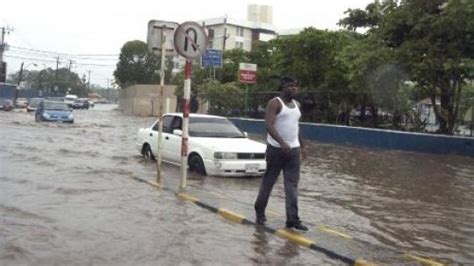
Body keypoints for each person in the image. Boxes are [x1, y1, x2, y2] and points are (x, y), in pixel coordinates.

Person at [254, 76, 308, 231]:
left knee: (292, 185)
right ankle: (260, 212)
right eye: (291, 86)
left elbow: (296, 127)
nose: (294, 89)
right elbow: (268, 125)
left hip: (293, 150)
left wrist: (303, 146)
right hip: (276, 150)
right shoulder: (275, 103)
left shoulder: (297, 105)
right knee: (268, 182)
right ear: (283, 87)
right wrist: (281, 142)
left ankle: (292, 220)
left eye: (296, 86)